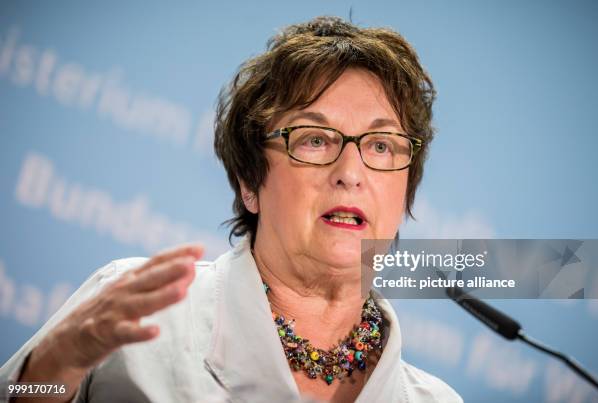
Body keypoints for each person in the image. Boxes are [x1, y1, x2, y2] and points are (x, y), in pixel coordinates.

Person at [0, 16, 462, 403]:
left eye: (381, 146)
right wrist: (54, 367)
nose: (351, 172)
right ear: (249, 182)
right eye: (314, 140)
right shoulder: (130, 315)